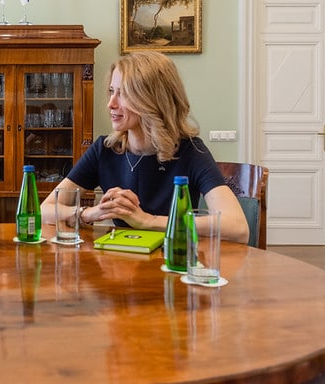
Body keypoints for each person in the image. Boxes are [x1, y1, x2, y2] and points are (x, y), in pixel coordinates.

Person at [41, 51, 249, 244]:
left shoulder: (191, 151)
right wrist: (88, 213)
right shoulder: (104, 149)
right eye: (112, 91)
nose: (111, 103)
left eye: (123, 94)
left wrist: (148, 221)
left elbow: (238, 227)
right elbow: (44, 210)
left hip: (172, 259)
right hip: (120, 261)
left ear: (152, 99)